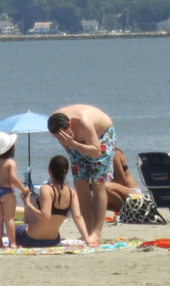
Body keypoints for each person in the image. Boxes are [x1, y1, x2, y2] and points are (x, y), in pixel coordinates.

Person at [48, 105, 115, 243]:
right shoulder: (54, 122)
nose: (60, 137)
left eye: (63, 134)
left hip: (101, 139)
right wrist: (71, 147)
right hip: (75, 143)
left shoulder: (83, 121)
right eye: (57, 136)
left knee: (97, 184)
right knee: (80, 184)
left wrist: (72, 142)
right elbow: (65, 144)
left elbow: (96, 151)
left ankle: (96, 232)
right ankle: (88, 231)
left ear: (70, 124)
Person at [17, 155, 91, 247]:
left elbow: (45, 216)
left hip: (31, 239)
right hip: (53, 241)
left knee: (18, 228)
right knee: (32, 200)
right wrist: (87, 240)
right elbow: (78, 217)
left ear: (49, 171)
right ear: (67, 172)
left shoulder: (46, 189)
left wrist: (28, 203)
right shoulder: (72, 193)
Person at [0, 132, 29, 249]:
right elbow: (13, 178)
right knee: (9, 219)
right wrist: (23, 189)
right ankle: (12, 243)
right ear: (10, 148)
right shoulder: (10, 163)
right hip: (7, 192)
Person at [106, 148, 142, 213]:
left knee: (104, 187)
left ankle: (125, 212)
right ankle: (124, 212)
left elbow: (121, 180)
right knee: (93, 200)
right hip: (123, 193)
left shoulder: (114, 154)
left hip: (133, 193)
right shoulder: (100, 156)